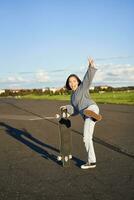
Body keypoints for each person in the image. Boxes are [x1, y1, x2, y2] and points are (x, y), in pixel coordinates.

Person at [61, 57, 102, 169]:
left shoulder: (82, 87)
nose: (72, 83)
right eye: (70, 81)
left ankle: (91, 161)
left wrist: (91, 67)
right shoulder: (72, 97)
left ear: (78, 82)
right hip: (87, 114)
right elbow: (75, 110)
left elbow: (88, 78)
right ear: (68, 84)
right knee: (87, 138)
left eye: (74, 80)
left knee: (86, 134)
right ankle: (94, 117)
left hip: (91, 108)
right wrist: (67, 111)